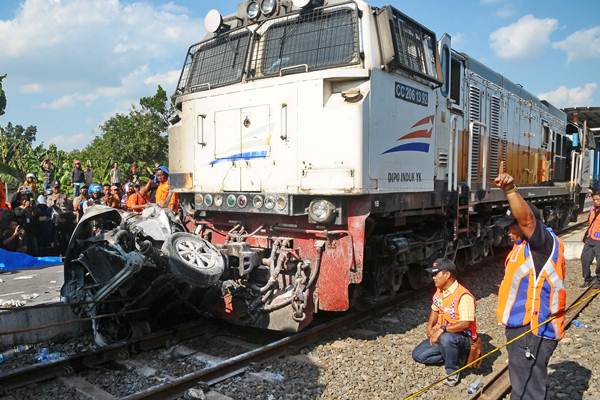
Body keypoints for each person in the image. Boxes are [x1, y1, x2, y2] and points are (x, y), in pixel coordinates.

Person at [494, 162, 566, 400]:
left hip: (533, 328)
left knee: (529, 390)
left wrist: (511, 190)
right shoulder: (522, 246)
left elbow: (526, 222)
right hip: (522, 327)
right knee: (522, 383)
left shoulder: (541, 245)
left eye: (511, 227)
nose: (508, 232)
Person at [412, 257, 478, 386]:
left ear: (447, 275)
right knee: (418, 355)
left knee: (448, 339)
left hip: (461, 338)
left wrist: (441, 329)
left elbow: (465, 324)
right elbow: (435, 310)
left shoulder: (463, 296)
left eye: (436, 274)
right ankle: (452, 356)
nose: (433, 277)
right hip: (444, 335)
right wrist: (430, 328)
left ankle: (453, 371)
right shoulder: (440, 292)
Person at [580, 191, 600, 287]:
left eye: (598, 200)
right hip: (590, 238)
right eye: (594, 200)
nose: (595, 201)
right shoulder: (592, 209)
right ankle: (587, 278)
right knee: (584, 258)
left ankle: (599, 279)